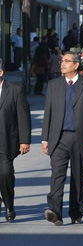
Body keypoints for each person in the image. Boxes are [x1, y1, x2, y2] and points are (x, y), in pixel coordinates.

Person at [41, 51, 83, 226]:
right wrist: (45, 139)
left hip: (80, 137)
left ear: (76, 65)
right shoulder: (54, 85)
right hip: (59, 138)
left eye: (66, 61)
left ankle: (76, 211)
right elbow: (48, 113)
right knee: (57, 175)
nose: (62, 64)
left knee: (79, 176)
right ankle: (55, 211)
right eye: (61, 61)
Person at [0, 59, 31, 222]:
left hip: (6, 141)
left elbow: (23, 117)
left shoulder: (14, 91)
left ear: (0, 72)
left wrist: (24, 140)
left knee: (5, 173)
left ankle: (9, 204)